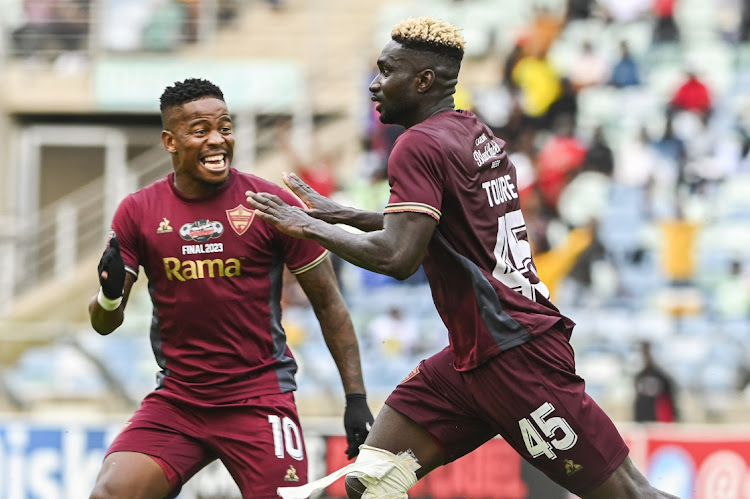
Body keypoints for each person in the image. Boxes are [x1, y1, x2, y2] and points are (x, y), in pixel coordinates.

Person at [247, 17, 679, 499]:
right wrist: (343, 213)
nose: (374, 85)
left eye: (386, 71)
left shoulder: (417, 145)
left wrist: (309, 226)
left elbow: (398, 256)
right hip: (470, 359)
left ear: (423, 81)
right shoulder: (472, 133)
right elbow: (442, 230)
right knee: (370, 483)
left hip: (515, 357)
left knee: (630, 495)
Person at [87, 78, 373, 499]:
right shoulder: (138, 211)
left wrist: (356, 398)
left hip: (259, 399)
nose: (217, 140)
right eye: (200, 131)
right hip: (179, 400)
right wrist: (110, 295)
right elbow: (105, 324)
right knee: (112, 492)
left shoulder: (270, 203)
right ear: (170, 141)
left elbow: (330, 304)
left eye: (225, 126)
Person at [633, 341, 680, 423]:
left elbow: (669, 398)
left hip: (657, 420)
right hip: (642, 419)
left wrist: (673, 415)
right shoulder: (639, 376)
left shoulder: (662, 377)